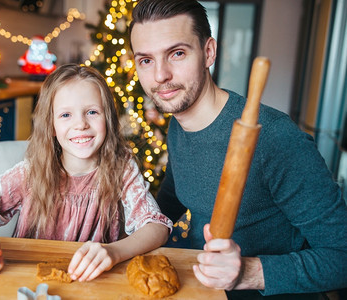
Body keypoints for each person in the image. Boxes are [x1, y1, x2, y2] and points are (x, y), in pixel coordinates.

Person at [129, 0, 347, 299]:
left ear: (208, 52)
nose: (160, 76)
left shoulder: (274, 138)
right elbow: (171, 200)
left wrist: (248, 272)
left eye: (177, 54)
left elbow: (342, 256)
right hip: (199, 287)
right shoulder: (179, 123)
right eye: (146, 60)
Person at [0, 64, 172, 281]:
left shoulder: (121, 169)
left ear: (107, 118)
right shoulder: (31, 173)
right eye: (66, 115)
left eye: (92, 112)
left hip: (96, 284)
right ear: (52, 126)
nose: (81, 124)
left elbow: (156, 227)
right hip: (30, 284)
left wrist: (114, 251)